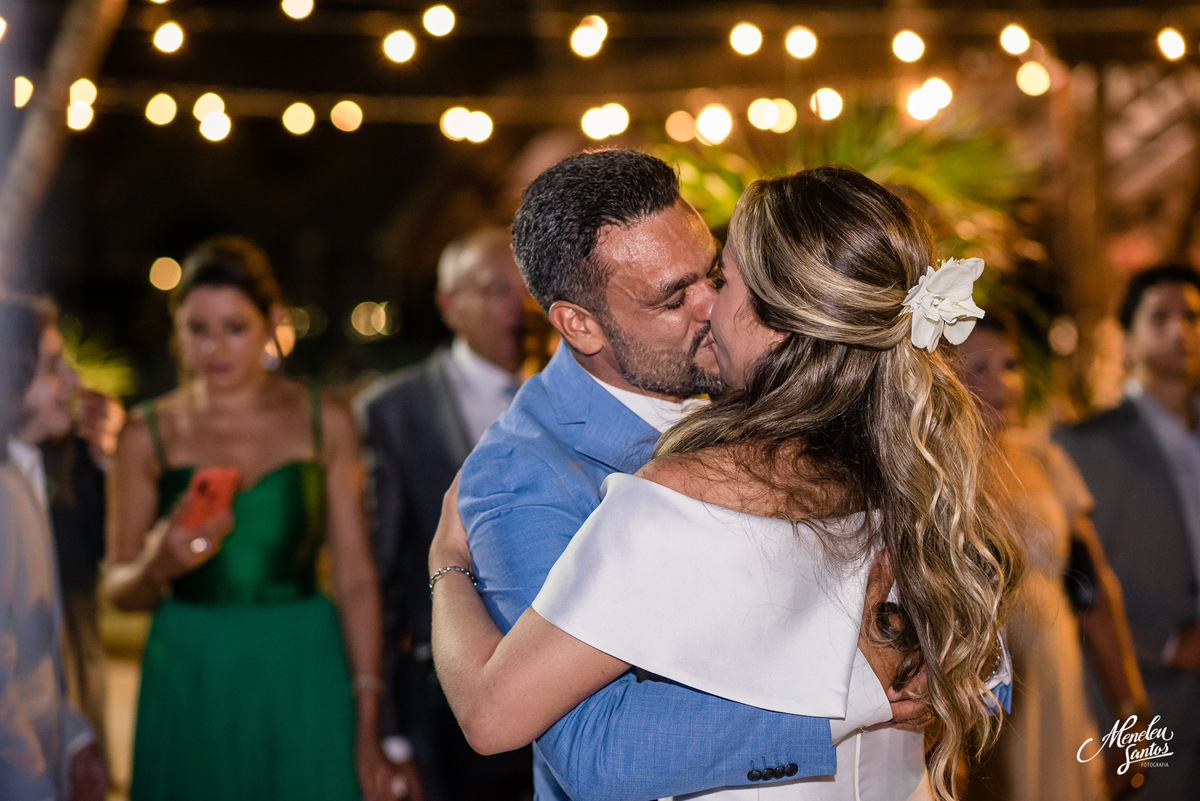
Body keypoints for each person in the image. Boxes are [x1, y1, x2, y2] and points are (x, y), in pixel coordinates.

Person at [434, 157, 1020, 800]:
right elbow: (584, 746)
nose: (712, 306)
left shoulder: (836, 414)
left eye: (715, 273)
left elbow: (977, 663)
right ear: (581, 324)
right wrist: (857, 696)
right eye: (672, 297)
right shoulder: (525, 468)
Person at [103, 236, 401, 801]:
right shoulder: (147, 434)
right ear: (177, 328)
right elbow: (119, 589)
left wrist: (367, 717)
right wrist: (157, 563)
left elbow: (357, 580)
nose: (215, 347)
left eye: (234, 328)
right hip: (190, 664)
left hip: (303, 658)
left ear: (271, 324)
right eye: (198, 329)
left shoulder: (324, 420)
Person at [357, 226, 531, 801]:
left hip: (567, 687)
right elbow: (378, 572)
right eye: (496, 289)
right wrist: (389, 731)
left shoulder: (572, 389)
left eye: (527, 286)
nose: (518, 305)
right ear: (448, 306)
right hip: (447, 695)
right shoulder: (393, 412)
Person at [956, 312, 1147, 800]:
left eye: (1012, 365)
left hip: (1058, 677)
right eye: (979, 368)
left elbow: (1095, 591)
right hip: (985, 700)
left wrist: (1131, 710)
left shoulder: (1047, 463)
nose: (1003, 383)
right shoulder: (936, 476)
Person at [1056, 263, 1200, 800]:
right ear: (1128, 338)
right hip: (1139, 710)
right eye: (1159, 317)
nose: (1179, 330)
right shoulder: (1082, 446)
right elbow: (1071, 582)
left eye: (1192, 316)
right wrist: (1164, 644)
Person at [0, 295, 108, 801]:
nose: (72, 381)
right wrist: (34, 781)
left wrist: (73, 733)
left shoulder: (25, 468)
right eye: (51, 367)